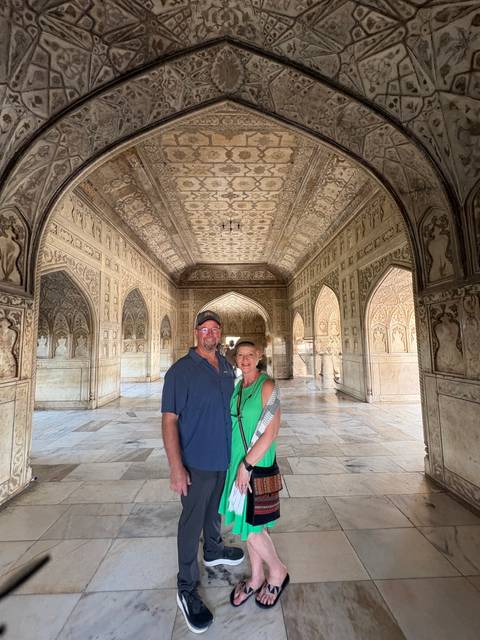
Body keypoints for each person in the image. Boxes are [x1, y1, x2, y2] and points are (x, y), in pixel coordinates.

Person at [161, 310, 244, 634]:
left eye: (215, 329)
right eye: (205, 329)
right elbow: (169, 421)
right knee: (190, 521)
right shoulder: (180, 372)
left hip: (223, 458)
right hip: (195, 461)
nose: (210, 334)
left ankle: (213, 549)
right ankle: (186, 588)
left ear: (219, 334)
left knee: (214, 510)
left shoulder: (225, 367)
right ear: (196, 333)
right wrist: (176, 467)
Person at [218, 341, 289, 609]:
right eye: (241, 356)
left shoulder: (267, 386)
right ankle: (257, 576)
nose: (245, 359)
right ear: (236, 359)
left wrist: (246, 466)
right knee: (250, 525)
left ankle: (277, 571)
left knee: (253, 527)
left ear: (259, 356)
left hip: (253, 466)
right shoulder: (239, 388)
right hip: (238, 464)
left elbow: (271, 432)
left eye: (250, 355)